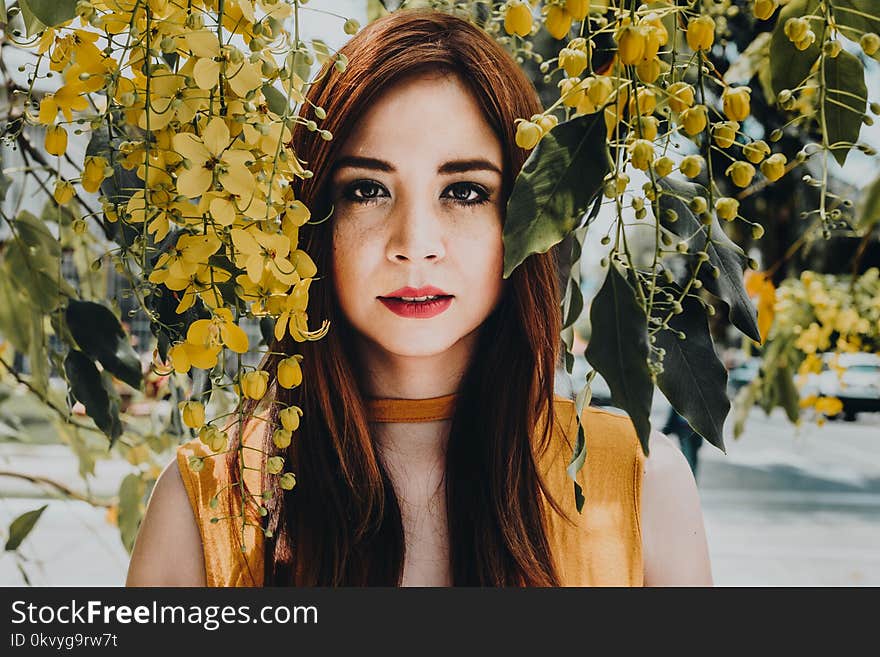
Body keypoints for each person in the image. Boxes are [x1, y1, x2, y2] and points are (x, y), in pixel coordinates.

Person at [126, 8, 711, 587]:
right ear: (311, 219)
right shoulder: (203, 503)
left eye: (464, 191)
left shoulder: (642, 486)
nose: (416, 245)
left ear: (525, 215)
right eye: (367, 189)